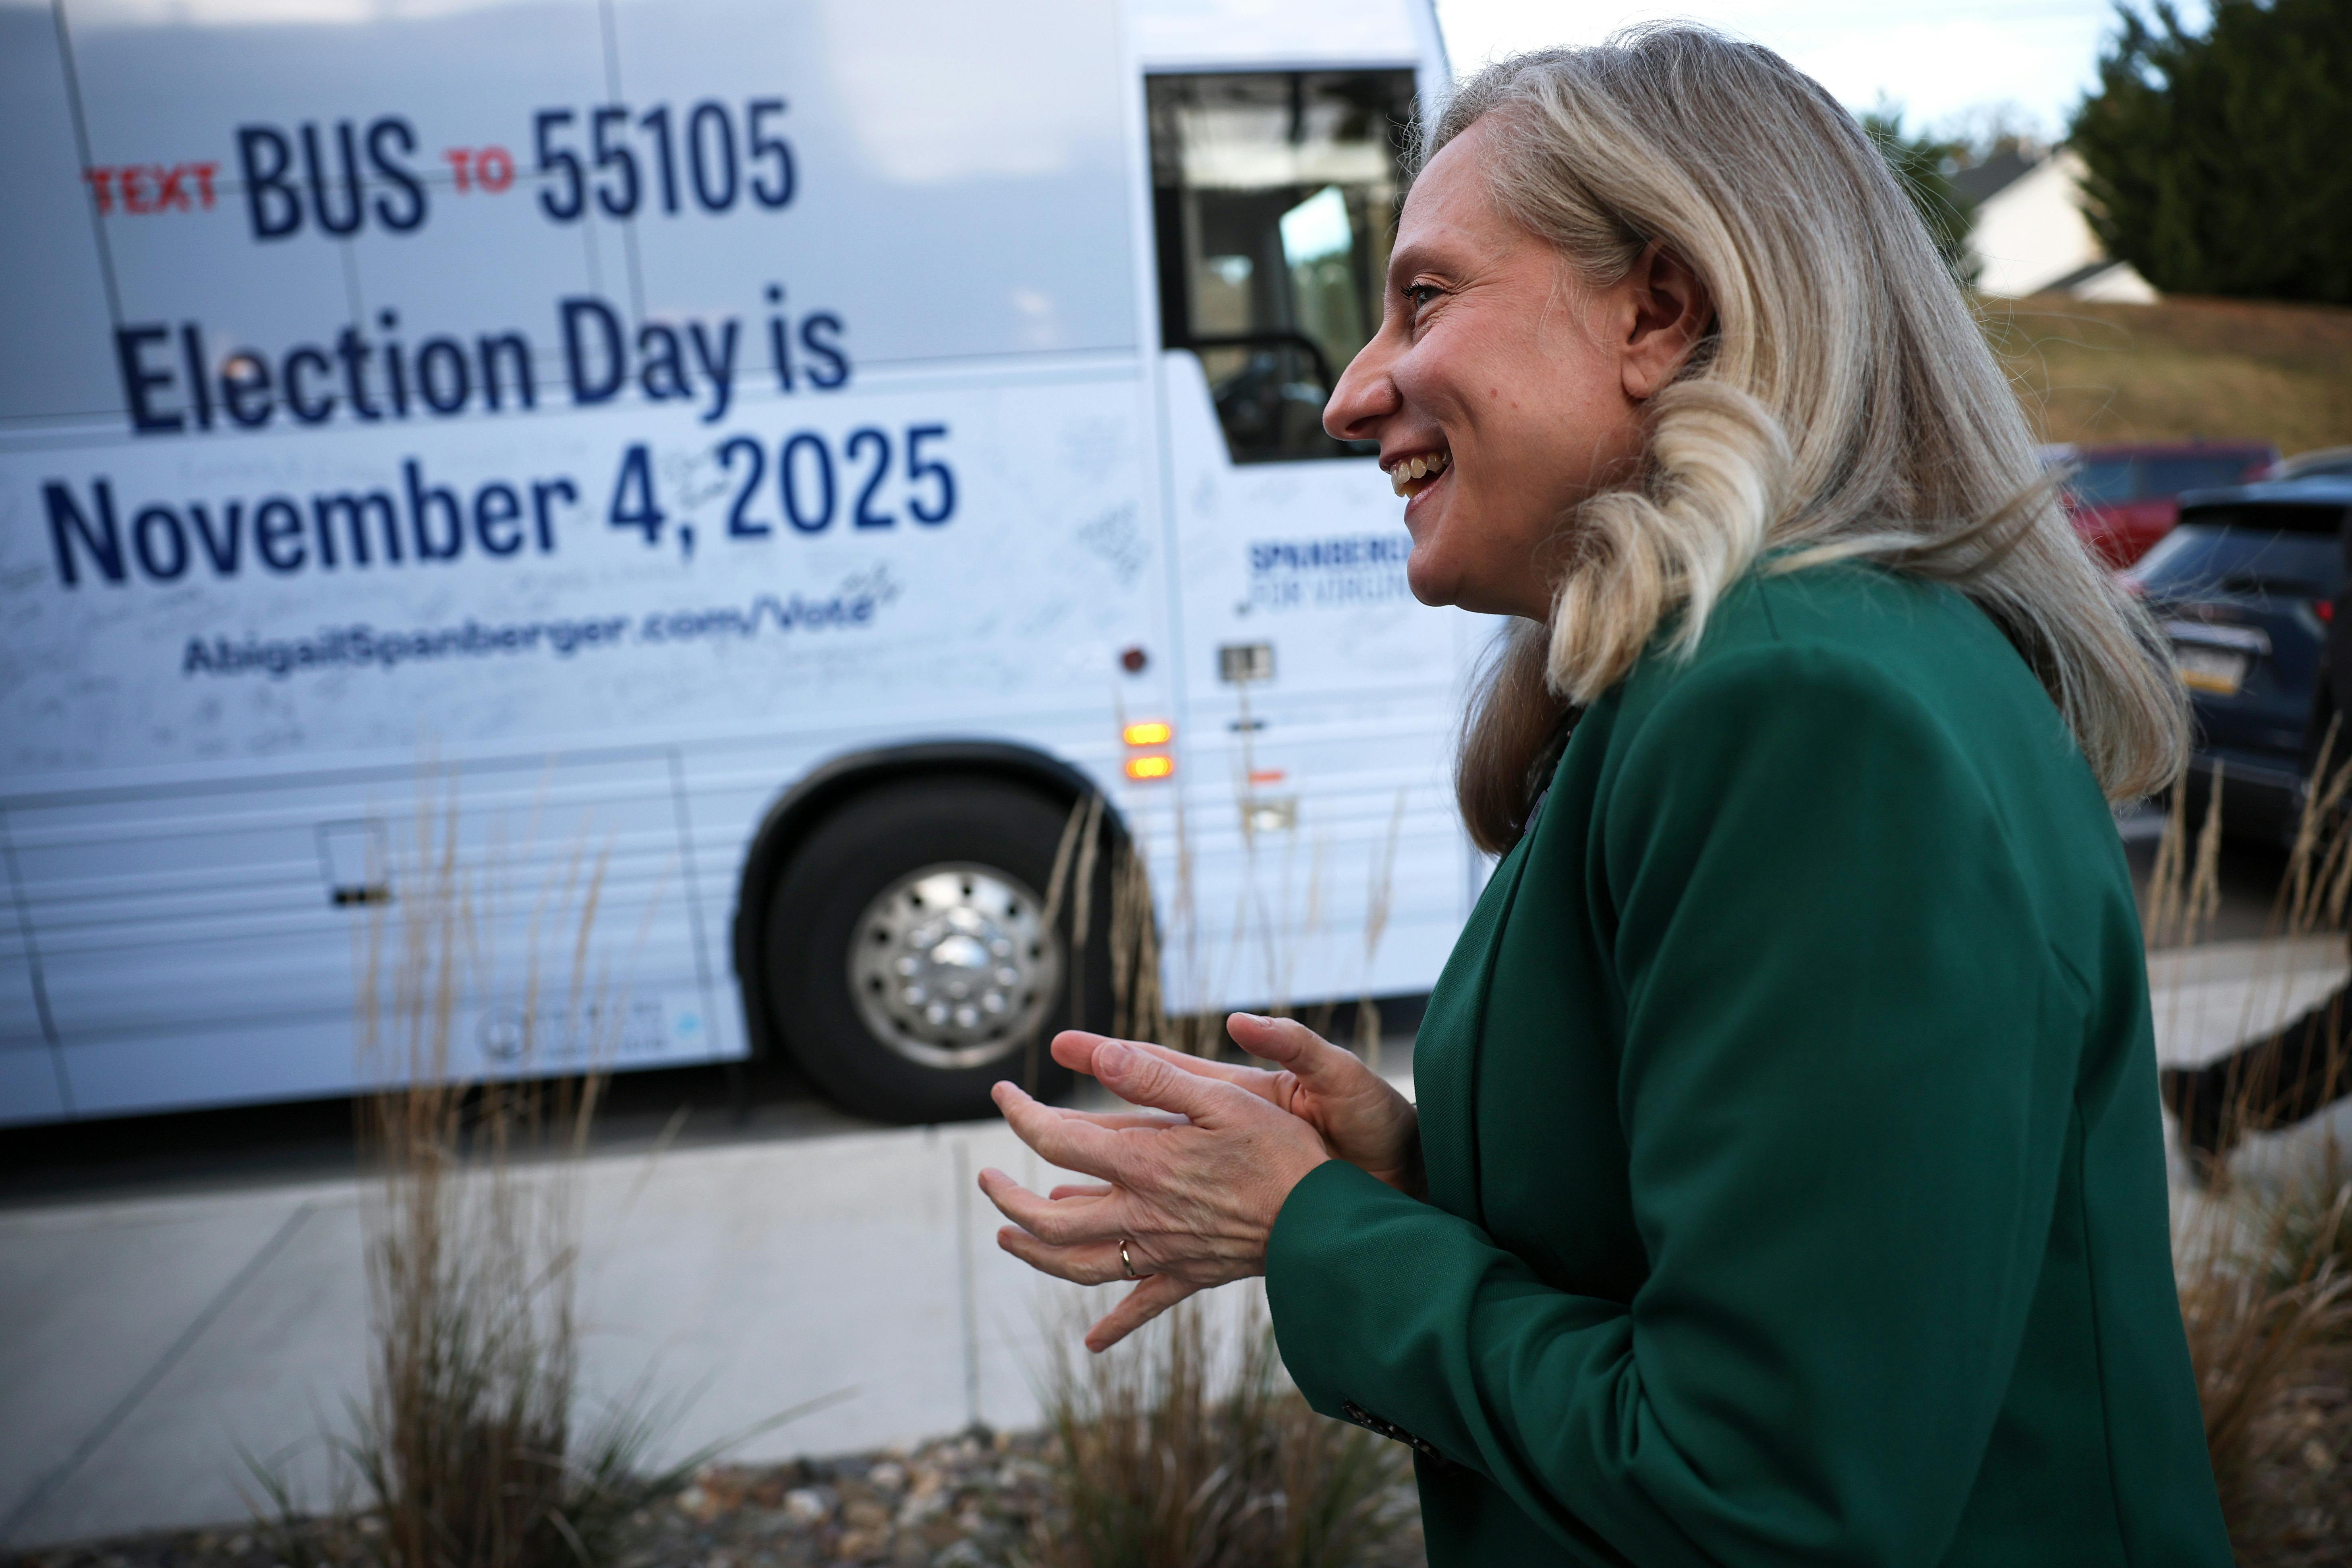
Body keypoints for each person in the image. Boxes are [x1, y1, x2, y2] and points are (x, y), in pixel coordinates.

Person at [979, 27, 2233, 1566]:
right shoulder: (1764, 673)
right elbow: (1761, 1237)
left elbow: (1771, 1497)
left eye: (1423, 296)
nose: (1351, 394)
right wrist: (1424, 1177)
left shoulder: (1801, 709)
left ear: (1659, 309)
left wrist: (1312, 1231)